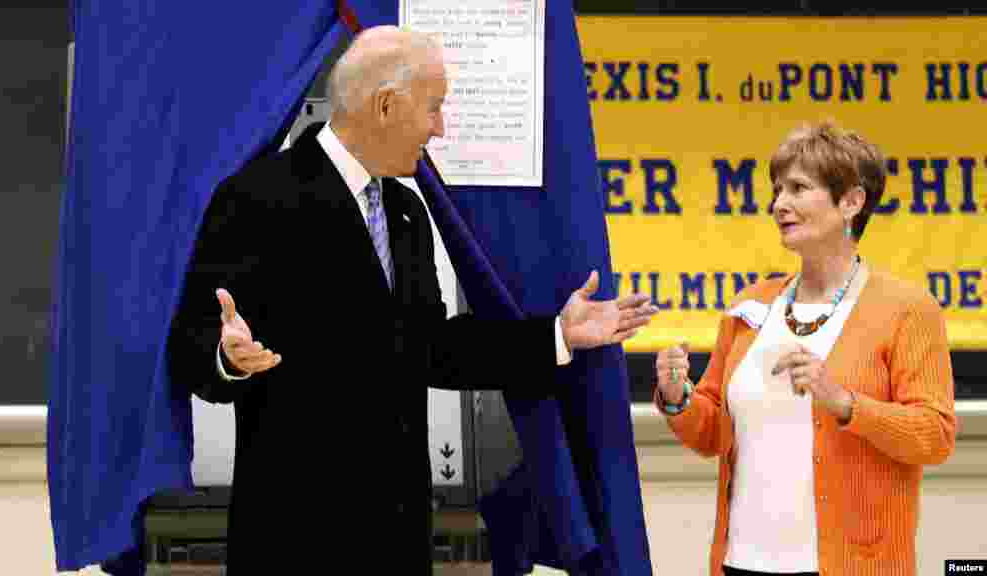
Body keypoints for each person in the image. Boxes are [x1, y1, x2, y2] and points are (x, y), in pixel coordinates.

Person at [167, 26, 658, 574]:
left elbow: (433, 347)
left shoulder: (405, 211)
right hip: (295, 539)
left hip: (396, 538)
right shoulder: (257, 197)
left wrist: (557, 335)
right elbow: (192, 349)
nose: (440, 128)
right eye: (434, 108)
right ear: (384, 105)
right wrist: (227, 358)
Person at [653, 120, 956, 576]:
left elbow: (935, 436)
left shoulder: (907, 309)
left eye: (798, 188)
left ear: (852, 202)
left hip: (850, 565)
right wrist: (679, 399)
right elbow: (714, 431)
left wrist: (844, 402)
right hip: (741, 562)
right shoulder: (751, 304)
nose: (779, 204)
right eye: (777, 190)